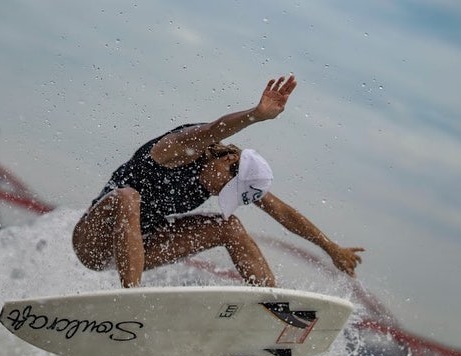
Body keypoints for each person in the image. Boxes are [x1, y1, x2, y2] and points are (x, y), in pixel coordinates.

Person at [72, 74, 364, 288]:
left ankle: (269, 307)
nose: (221, 192)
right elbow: (214, 129)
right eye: (227, 186)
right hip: (94, 243)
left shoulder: (236, 176)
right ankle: (129, 300)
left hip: (142, 248)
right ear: (227, 160)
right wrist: (255, 115)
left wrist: (331, 249)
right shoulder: (177, 150)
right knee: (128, 197)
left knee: (230, 226)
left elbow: (283, 212)